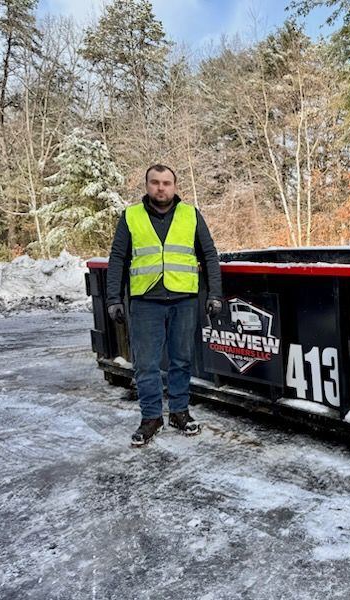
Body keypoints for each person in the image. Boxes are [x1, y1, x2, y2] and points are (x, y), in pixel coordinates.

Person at [106, 164, 223, 446]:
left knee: (181, 360)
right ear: (147, 185)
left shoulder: (191, 215)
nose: (161, 188)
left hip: (184, 299)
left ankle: (179, 413)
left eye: (167, 183)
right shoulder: (131, 216)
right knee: (146, 364)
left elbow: (209, 256)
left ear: (175, 186)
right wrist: (113, 298)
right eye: (155, 182)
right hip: (146, 301)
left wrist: (214, 294)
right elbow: (117, 259)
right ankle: (151, 418)